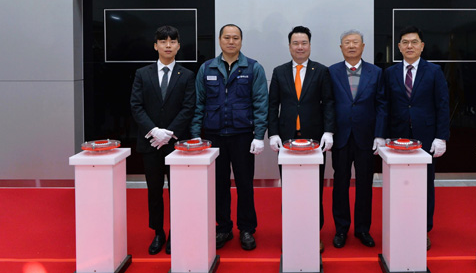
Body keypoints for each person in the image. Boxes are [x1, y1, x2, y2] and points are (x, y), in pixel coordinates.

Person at [190, 24, 268, 251]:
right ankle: (223, 227)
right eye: (227, 37)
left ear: (241, 41)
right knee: (219, 185)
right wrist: (195, 135)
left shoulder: (253, 68)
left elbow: (260, 103)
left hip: (243, 136)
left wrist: (259, 135)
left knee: (245, 184)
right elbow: (199, 103)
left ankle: (247, 228)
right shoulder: (207, 68)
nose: (231, 41)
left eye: (235, 38)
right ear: (220, 40)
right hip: (214, 136)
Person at [268, 25, 336, 253]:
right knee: (289, 189)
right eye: (295, 43)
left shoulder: (321, 71)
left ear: (310, 45)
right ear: (289, 47)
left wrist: (328, 131)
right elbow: (272, 105)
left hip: (314, 140)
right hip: (286, 140)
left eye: (304, 43)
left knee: (314, 189)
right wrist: (273, 133)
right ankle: (291, 232)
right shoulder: (279, 72)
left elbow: (329, 103)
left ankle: (314, 233)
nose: (300, 47)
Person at [130, 25, 196, 255]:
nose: (168, 45)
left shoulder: (187, 75)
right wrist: (154, 131)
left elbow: (188, 107)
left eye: (172, 41)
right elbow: (136, 106)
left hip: (176, 144)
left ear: (178, 46)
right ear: (155, 45)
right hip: (150, 143)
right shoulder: (142, 73)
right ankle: (158, 232)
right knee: (154, 191)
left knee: (178, 191)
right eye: (163, 41)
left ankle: (177, 231)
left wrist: (169, 133)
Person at [384, 25, 450, 250]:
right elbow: (385, 106)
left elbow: (443, 105)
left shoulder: (434, 71)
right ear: (399, 47)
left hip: (426, 137)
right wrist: (383, 136)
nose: (409, 46)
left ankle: (423, 230)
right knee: (399, 183)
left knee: (424, 184)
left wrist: (441, 137)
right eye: (405, 42)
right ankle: (400, 226)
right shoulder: (390, 73)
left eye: (414, 42)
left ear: (422, 46)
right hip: (398, 137)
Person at [329, 29, 387, 249]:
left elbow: (382, 104)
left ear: (363, 46)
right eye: (347, 42)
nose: (351, 46)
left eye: (355, 42)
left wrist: (379, 134)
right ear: (341, 47)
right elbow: (327, 104)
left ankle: (363, 229)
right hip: (341, 136)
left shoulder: (376, 72)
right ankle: (341, 229)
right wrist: (328, 131)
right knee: (340, 184)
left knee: (365, 184)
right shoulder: (331, 72)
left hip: (366, 137)